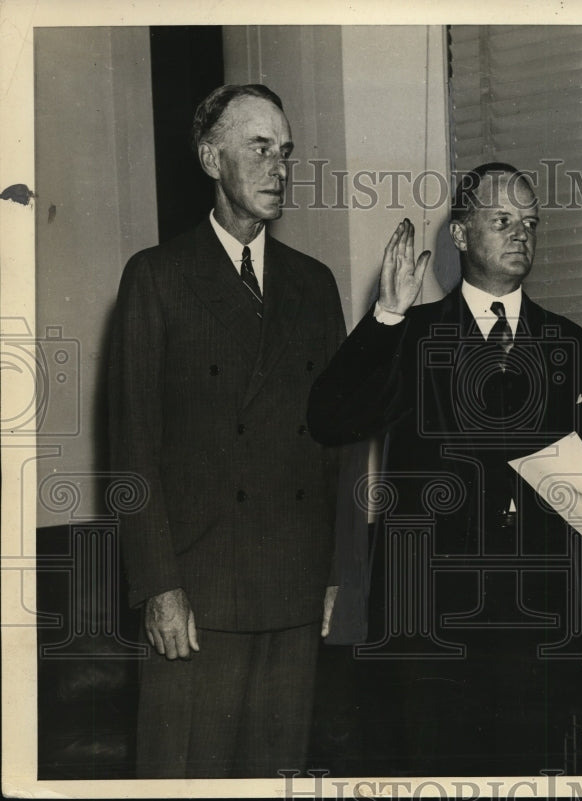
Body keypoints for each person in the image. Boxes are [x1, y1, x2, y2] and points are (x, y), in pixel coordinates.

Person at [307, 163, 582, 775]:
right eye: (502, 220)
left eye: (530, 222)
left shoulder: (566, 341)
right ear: (460, 234)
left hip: (534, 616)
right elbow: (329, 418)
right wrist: (386, 317)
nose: (521, 234)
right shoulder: (414, 334)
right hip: (428, 620)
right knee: (436, 772)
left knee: (529, 776)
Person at [108, 84, 359, 778]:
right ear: (211, 156)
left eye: (286, 153)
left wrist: (337, 573)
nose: (279, 167)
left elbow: (334, 444)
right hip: (197, 594)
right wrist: (158, 584)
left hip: (293, 588)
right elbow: (132, 450)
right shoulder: (156, 278)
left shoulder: (314, 285)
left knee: (275, 779)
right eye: (259, 148)